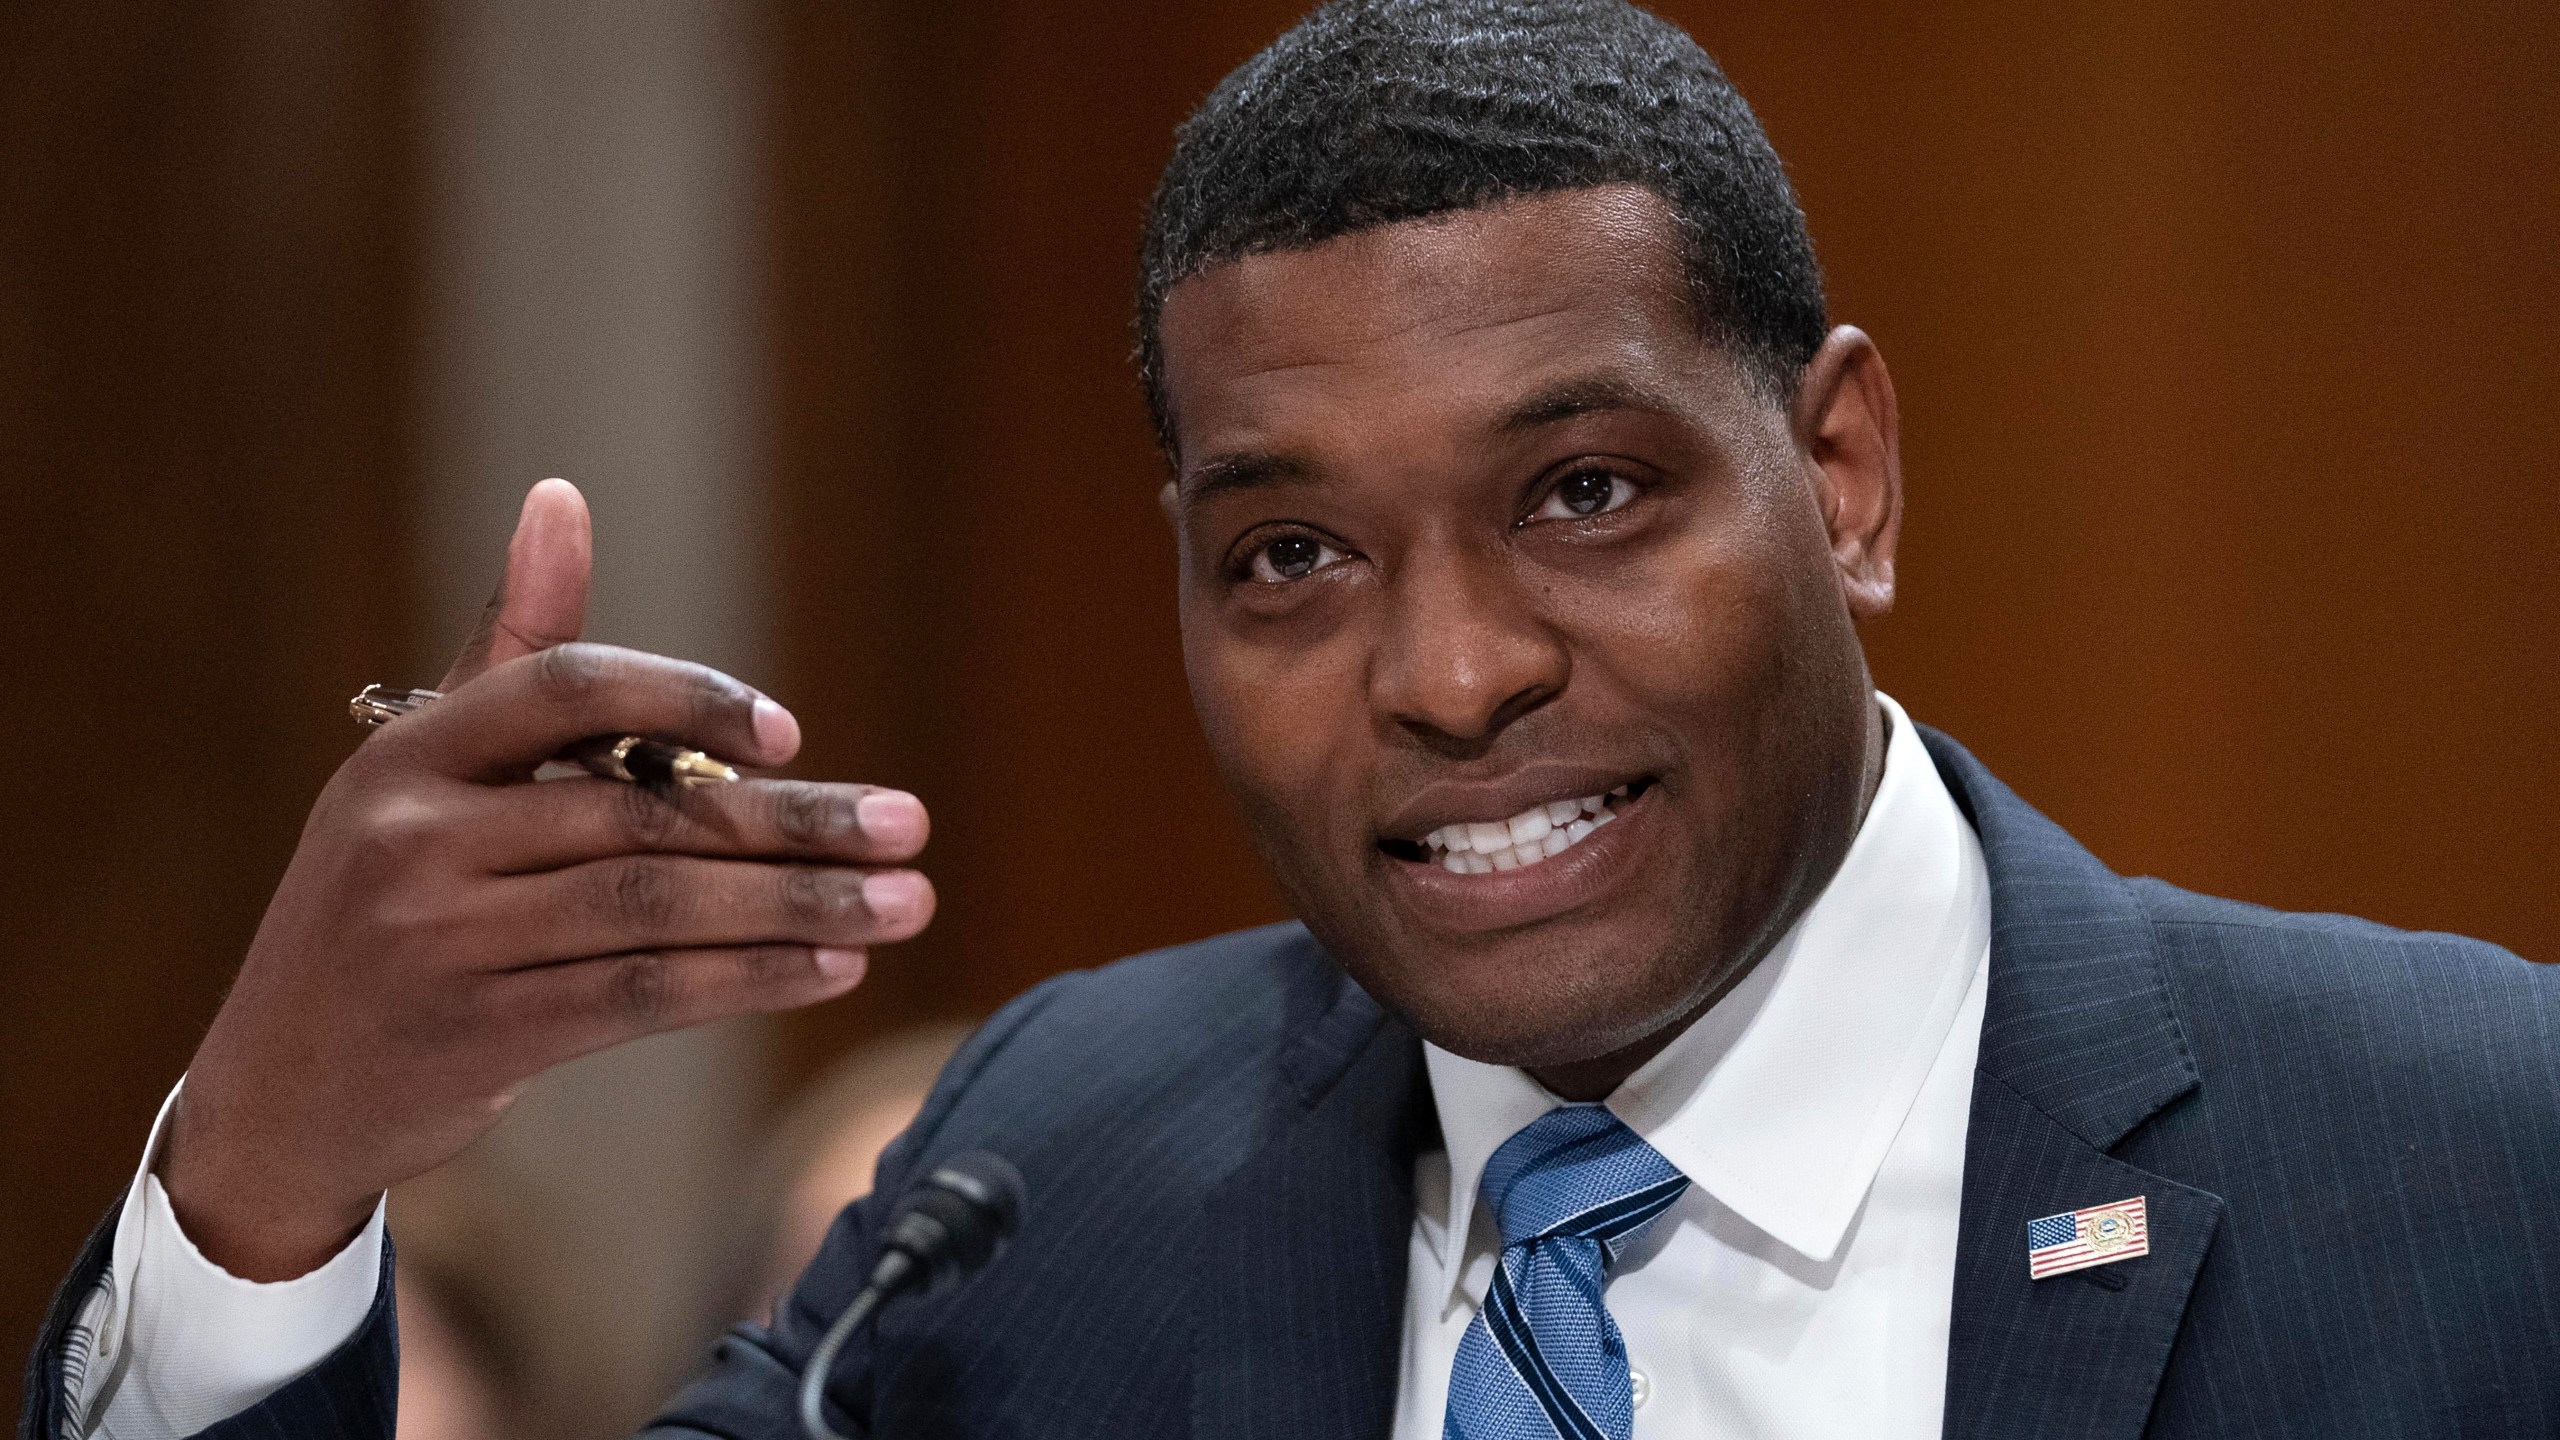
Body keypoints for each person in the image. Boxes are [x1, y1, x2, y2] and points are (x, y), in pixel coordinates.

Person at [26, 1, 2560, 1437]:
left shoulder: (2465, 1169)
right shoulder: (1052, 1194)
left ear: (1839, 468)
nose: (1446, 675)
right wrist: (279, 1162)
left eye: (1579, 489)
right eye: (1291, 560)